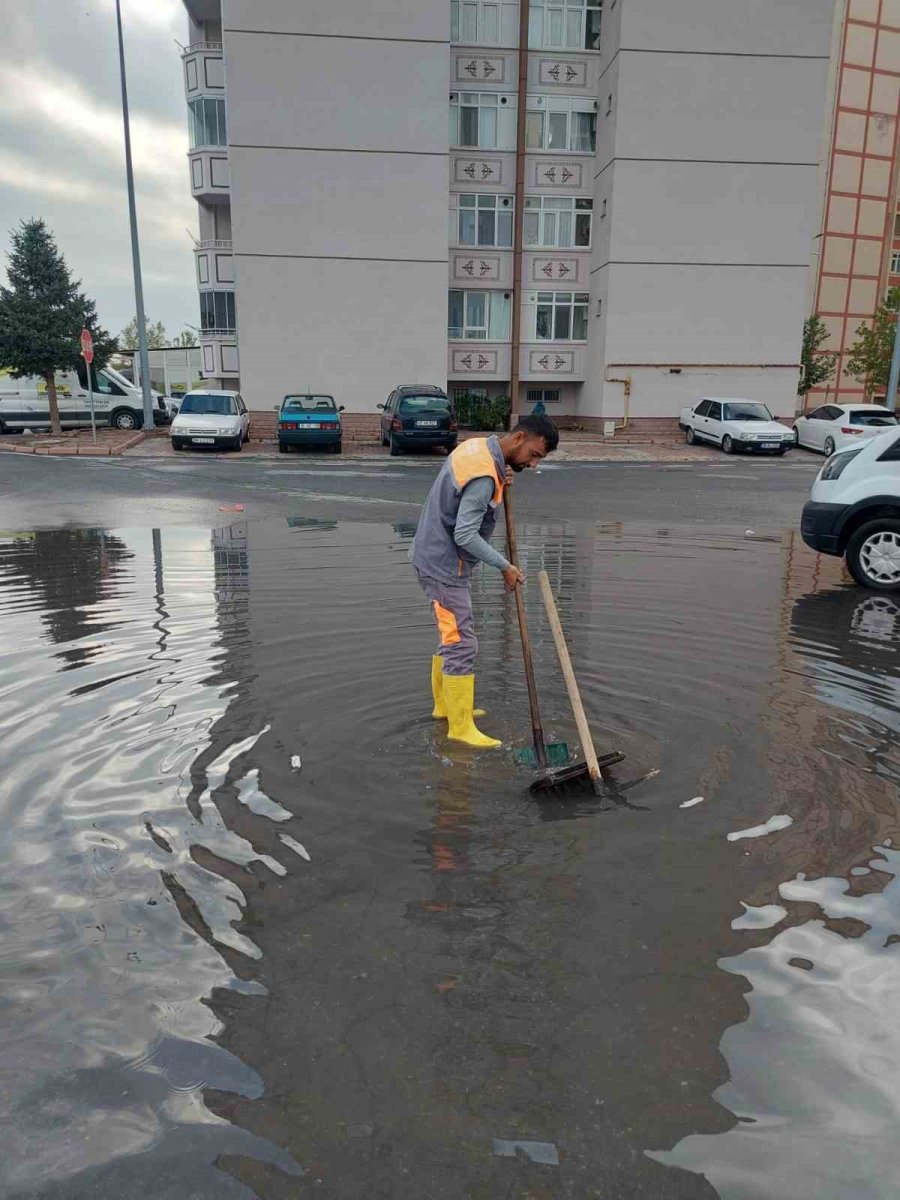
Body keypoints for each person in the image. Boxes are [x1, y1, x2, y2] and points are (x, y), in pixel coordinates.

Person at [410, 414, 560, 748]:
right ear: (519, 438)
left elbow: (476, 483)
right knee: (463, 643)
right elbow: (465, 534)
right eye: (534, 454)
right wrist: (505, 566)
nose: (533, 465)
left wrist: (502, 476)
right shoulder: (483, 475)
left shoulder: (479, 449)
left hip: (432, 555)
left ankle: (446, 708)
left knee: (451, 638)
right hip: (444, 566)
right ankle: (460, 727)